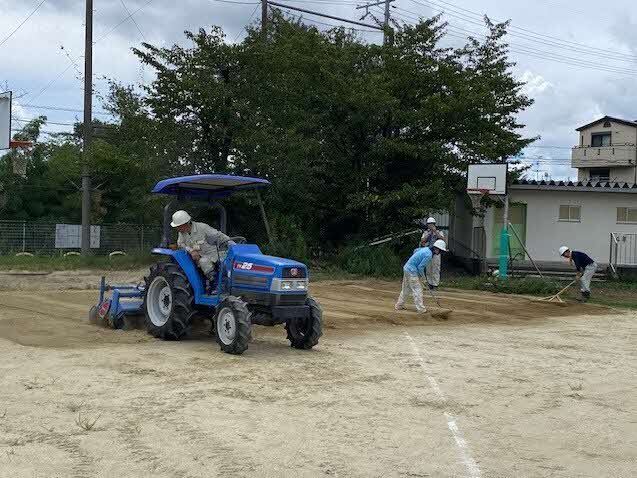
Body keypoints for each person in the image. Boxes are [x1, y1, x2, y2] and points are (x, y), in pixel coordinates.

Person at [171, 210, 234, 280]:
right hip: (199, 259)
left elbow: (219, 236)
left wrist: (232, 244)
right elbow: (180, 244)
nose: (177, 229)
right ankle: (213, 282)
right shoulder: (181, 233)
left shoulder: (203, 228)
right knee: (203, 262)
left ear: (186, 223)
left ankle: (222, 281)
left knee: (228, 264)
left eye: (179, 226)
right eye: (177, 227)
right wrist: (191, 250)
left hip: (214, 255)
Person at [395, 239, 447, 313]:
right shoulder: (429, 255)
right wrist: (424, 278)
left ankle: (399, 305)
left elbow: (415, 250)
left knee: (406, 288)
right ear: (437, 249)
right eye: (440, 251)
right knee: (417, 290)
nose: (439, 253)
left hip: (407, 268)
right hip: (412, 271)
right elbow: (420, 267)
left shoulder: (426, 249)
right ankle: (421, 309)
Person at [420, 217, 445, 289]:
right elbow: (422, 241)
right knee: (428, 268)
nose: (430, 225)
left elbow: (442, 239)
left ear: (434, 224)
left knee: (436, 268)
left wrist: (435, 232)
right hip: (428, 251)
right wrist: (429, 233)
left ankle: (435, 284)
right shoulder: (426, 232)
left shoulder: (439, 231)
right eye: (429, 224)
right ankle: (429, 283)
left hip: (436, 252)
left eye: (431, 224)